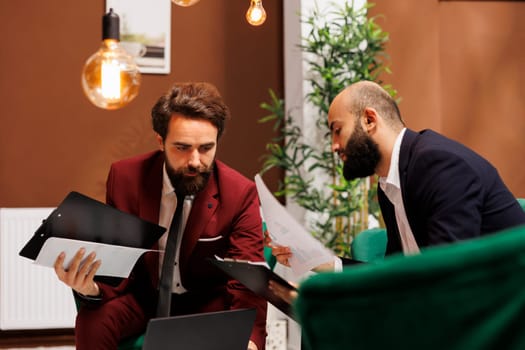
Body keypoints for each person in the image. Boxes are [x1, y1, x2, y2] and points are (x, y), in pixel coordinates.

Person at [54, 82, 267, 350]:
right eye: (182, 147)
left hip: (207, 306)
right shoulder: (125, 178)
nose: (194, 161)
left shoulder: (240, 192)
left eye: (205, 148)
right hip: (143, 299)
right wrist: (91, 288)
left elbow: (248, 279)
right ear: (160, 141)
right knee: (92, 319)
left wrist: (250, 340)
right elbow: (119, 258)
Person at [270, 80, 525, 271]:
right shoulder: (390, 182)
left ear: (369, 119)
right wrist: (321, 261)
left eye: (337, 130)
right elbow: (394, 274)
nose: (334, 145)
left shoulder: (438, 164)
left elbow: (450, 275)